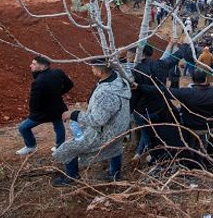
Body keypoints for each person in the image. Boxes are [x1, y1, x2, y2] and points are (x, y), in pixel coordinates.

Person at [52, 58, 132, 186]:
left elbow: (98, 120)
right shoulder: (118, 78)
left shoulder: (105, 93)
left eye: (93, 67)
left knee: (68, 148)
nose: (91, 69)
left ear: (100, 71)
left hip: (107, 132)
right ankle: (114, 174)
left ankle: (72, 178)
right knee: (115, 148)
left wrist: (73, 114)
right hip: (120, 127)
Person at [16, 56, 74, 155]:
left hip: (43, 112)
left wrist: (33, 113)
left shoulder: (38, 82)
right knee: (58, 126)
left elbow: (34, 101)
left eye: (34, 64)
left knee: (23, 127)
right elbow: (70, 85)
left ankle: (30, 146)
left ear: (42, 67)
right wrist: (58, 93)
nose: (30, 66)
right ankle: (60, 147)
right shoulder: (58, 72)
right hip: (58, 107)